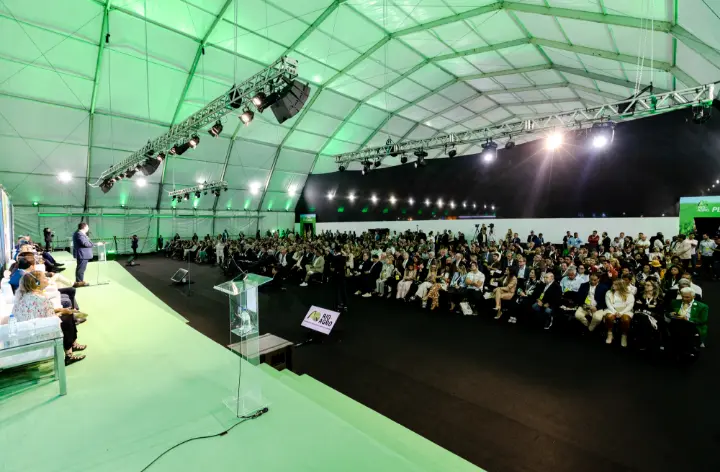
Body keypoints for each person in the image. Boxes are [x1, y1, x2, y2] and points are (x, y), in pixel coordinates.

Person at [7, 272, 86, 365]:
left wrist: (60, 310)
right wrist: (63, 312)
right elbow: (51, 321)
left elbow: (39, 314)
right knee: (66, 318)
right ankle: (69, 354)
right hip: (37, 336)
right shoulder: (41, 299)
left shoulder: (21, 297)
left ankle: (72, 345)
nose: (47, 279)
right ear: (37, 283)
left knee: (66, 314)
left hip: (25, 335)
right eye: (44, 278)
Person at [604, 279, 635, 347]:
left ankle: (624, 336)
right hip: (612, 309)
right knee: (609, 317)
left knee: (626, 320)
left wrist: (621, 313)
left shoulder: (629, 294)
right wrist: (615, 312)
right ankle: (610, 334)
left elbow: (630, 305)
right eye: (613, 284)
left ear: (621, 286)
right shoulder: (609, 292)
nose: (613, 286)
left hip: (625, 310)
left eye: (615, 284)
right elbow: (608, 304)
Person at [72, 222, 95, 286]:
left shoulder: (81, 234)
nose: (88, 228)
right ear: (84, 227)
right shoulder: (79, 234)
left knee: (81, 269)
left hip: (83, 254)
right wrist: (95, 244)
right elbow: (85, 244)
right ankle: (79, 282)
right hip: (82, 254)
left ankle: (80, 281)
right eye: (87, 227)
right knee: (80, 269)